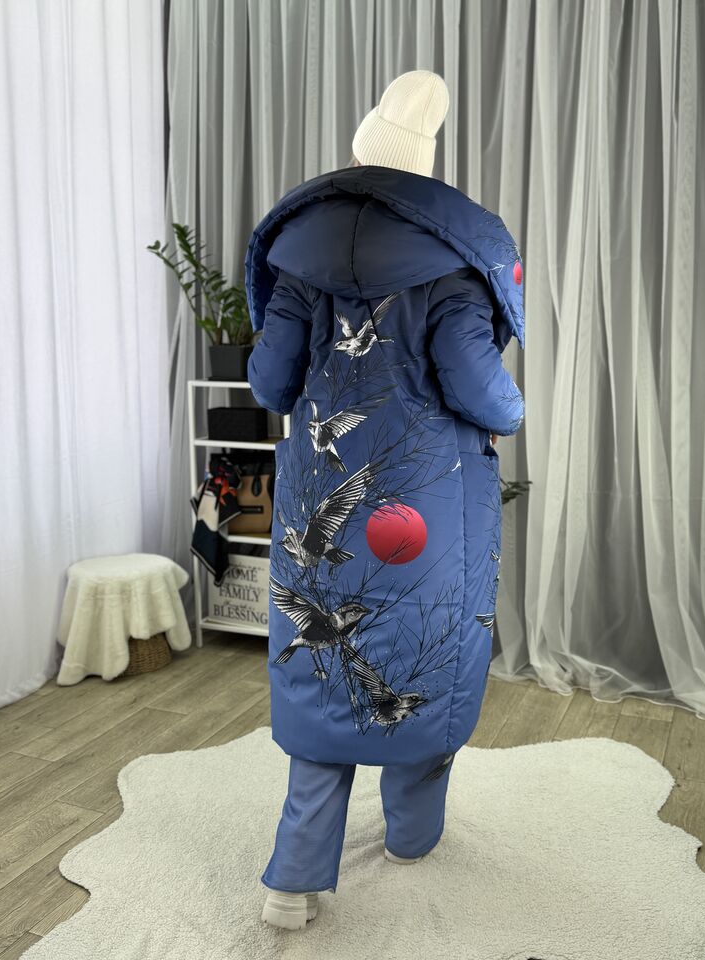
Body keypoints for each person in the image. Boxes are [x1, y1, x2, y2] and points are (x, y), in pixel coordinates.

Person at [244, 69, 525, 930]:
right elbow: (487, 398)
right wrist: (512, 406)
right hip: (423, 510)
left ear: (361, 156)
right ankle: (410, 834)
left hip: (322, 499)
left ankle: (293, 880)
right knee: (421, 656)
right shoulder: (452, 271)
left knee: (323, 669)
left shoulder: (300, 263)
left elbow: (269, 382)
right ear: (423, 175)